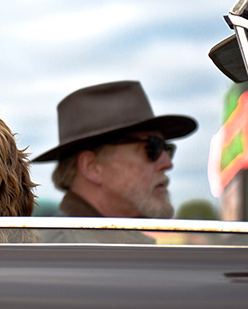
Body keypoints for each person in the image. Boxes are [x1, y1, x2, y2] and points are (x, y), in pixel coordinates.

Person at [33, 81, 197, 220]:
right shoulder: (59, 254)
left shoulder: (111, 248)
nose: (167, 163)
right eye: (151, 147)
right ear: (92, 167)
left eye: (167, 148)